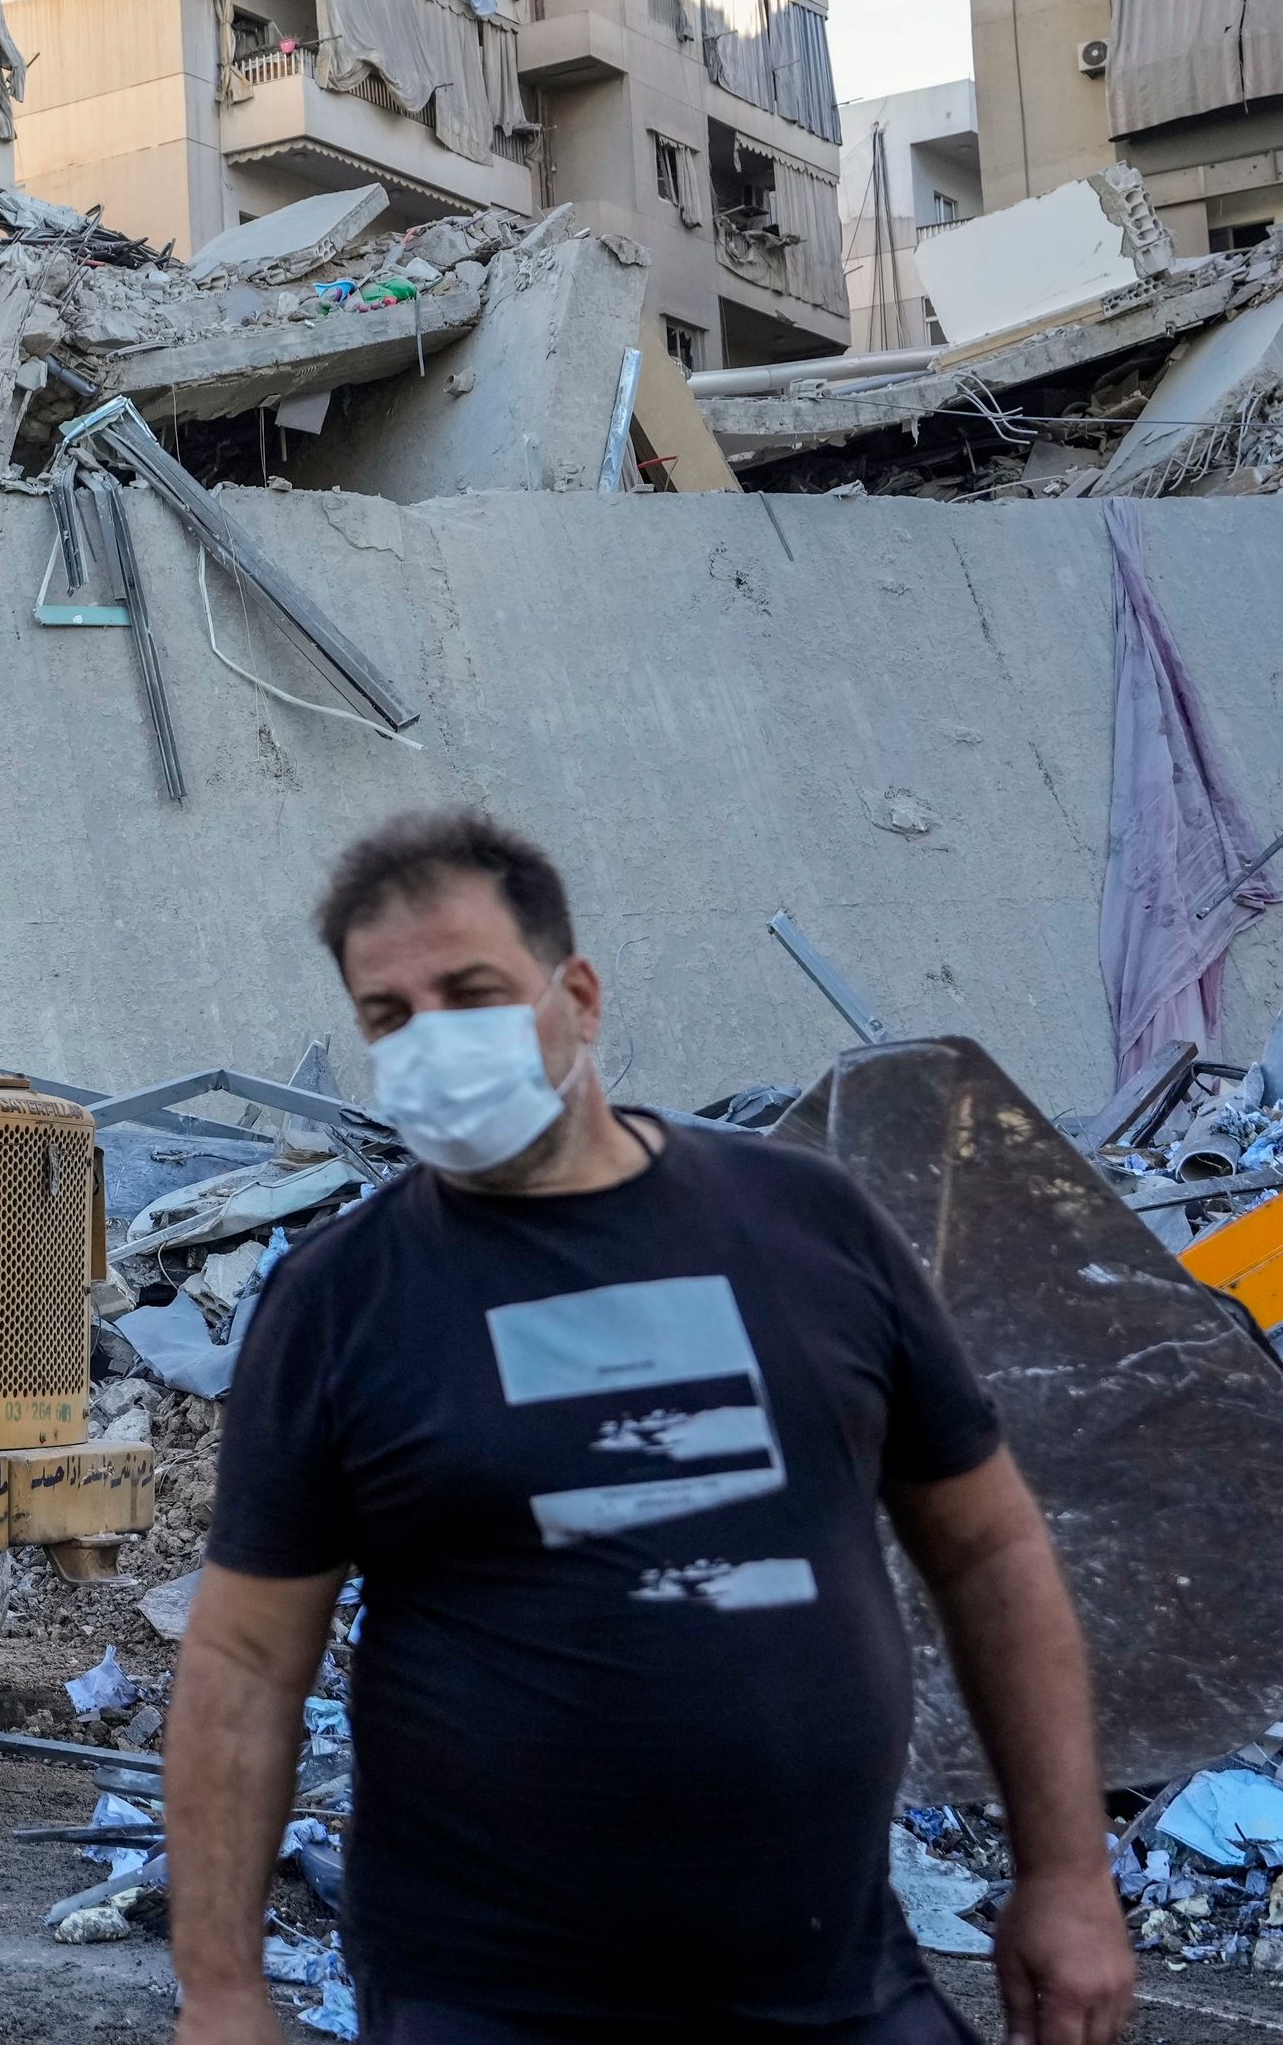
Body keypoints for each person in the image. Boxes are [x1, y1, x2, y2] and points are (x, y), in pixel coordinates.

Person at [168, 811, 1135, 2045]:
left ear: (579, 994)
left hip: (833, 1983)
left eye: (472, 991)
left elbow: (991, 1549)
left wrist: (1068, 1875)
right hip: (494, 2002)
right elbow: (245, 1663)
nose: (434, 1042)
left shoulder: (808, 1225)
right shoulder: (341, 1300)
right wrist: (224, 1991)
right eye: (390, 1016)